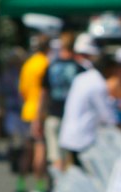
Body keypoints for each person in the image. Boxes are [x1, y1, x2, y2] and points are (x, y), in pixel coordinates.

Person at [58, 43, 113, 164]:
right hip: (82, 139)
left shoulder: (82, 77)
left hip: (69, 134)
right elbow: (108, 117)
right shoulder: (98, 84)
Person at [39, 31, 81, 172]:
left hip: (53, 114)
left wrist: (38, 117)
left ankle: (58, 186)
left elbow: (43, 94)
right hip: (72, 118)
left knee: (56, 157)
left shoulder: (51, 66)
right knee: (69, 159)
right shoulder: (79, 68)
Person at [18, 32, 49, 191]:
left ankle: (21, 183)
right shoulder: (46, 64)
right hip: (40, 112)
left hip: (27, 110)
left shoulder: (28, 64)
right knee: (40, 148)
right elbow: (45, 91)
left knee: (26, 150)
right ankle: (39, 184)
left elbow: (22, 90)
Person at [0, 45, 27, 192]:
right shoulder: (9, 76)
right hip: (16, 115)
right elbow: (0, 95)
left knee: (21, 149)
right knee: (20, 149)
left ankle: (22, 182)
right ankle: (21, 182)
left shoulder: (22, 74)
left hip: (21, 115)